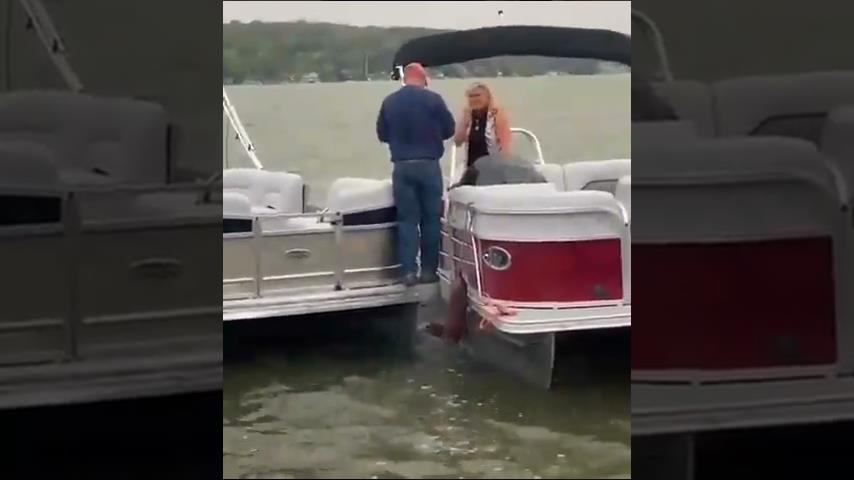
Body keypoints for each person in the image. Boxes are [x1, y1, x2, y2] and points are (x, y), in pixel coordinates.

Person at [376, 63, 455, 286]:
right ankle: (429, 271)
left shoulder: (389, 102)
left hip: (402, 166)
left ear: (404, 79)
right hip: (429, 165)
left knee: (407, 220)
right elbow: (449, 129)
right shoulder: (434, 100)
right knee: (431, 219)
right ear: (423, 78)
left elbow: (382, 134)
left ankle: (408, 272)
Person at [453, 82, 513, 167]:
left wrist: (503, 164)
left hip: (492, 163)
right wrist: (464, 122)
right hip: (472, 164)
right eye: (471, 96)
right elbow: (458, 141)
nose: (474, 99)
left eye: (477, 95)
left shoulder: (497, 115)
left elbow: (505, 143)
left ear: (487, 97)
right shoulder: (467, 114)